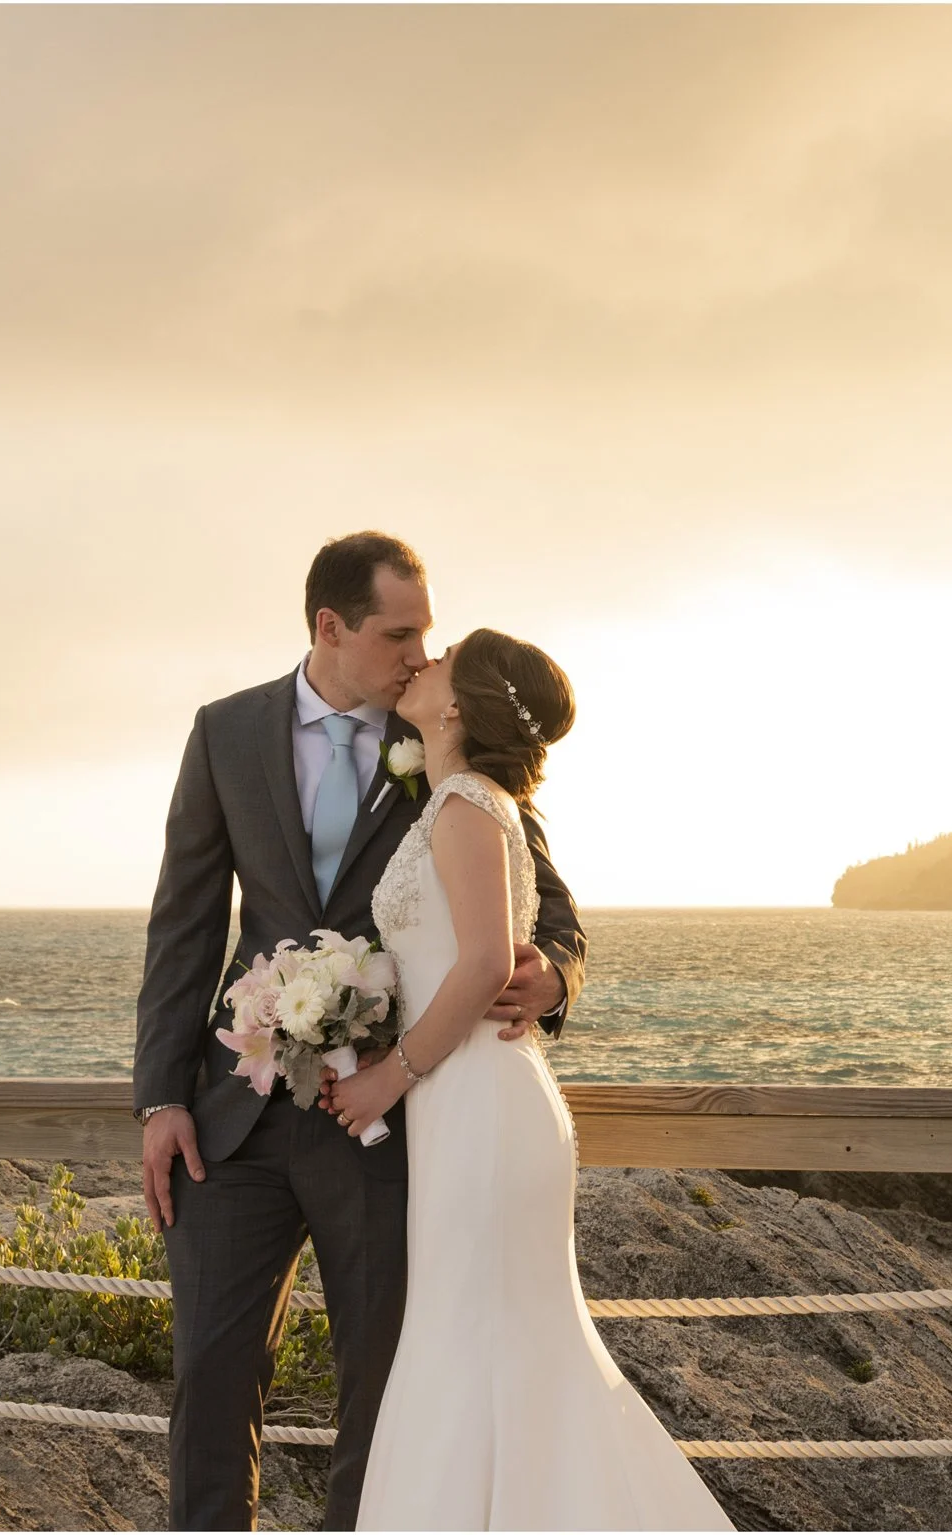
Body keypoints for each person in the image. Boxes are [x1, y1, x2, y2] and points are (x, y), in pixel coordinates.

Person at [132, 532, 587, 1530]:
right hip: (232, 1120)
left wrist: (550, 972)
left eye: (426, 632)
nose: (421, 655)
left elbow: (541, 898)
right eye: (399, 632)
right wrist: (162, 1095)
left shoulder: (446, 741)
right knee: (209, 1374)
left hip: (386, 1123)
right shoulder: (225, 732)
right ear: (328, 626)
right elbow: (185, 922)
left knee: (381, 1390)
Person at [322, 629, 733, 1531]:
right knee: (484, 1345)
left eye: (441, 657)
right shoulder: (460, 798)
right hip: (469, 1102)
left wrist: (389, 1075)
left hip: (477, 1101)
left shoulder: (468, 803)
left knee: (475, 1345)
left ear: (461, 704)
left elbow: (478, 966)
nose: (422, 662)